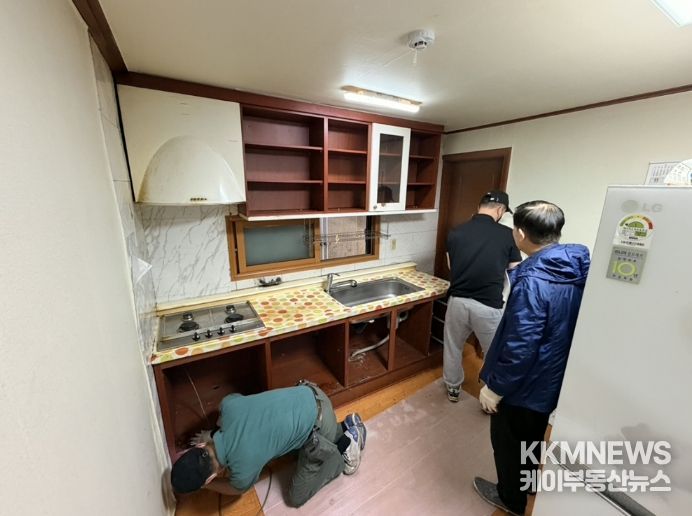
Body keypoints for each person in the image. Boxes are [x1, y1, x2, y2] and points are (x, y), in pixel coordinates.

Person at [473, 200, 590, 516]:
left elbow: (521, 345)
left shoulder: (533, 280)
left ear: (521, 234)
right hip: (552, 376)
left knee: (508, 443)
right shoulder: (576, 267)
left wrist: (495, 388)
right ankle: (529, 482)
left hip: (524, 385)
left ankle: (511, 499)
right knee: (533, 438)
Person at [170, 381, 367, 508]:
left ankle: (345, 449)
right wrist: (215, 432)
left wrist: (206, 486)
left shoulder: (242, 471)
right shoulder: (228, 407)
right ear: (199, 446)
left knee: (296, 497)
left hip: (318, 425)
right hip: (311, 391)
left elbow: (237, 489)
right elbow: (231, 399)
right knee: (290, 449)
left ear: (211, 477)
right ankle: (344, 428)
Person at [443, 190, 522, 402]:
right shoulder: (508, 235)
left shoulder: (456, 232)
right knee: (493, 352)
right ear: (500, 210)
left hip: (457, 301)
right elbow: (515, 270)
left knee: (453, 346)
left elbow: (451, 265)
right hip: (488, 306)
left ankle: (452, 387)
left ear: (480, 206)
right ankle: (490, 394)